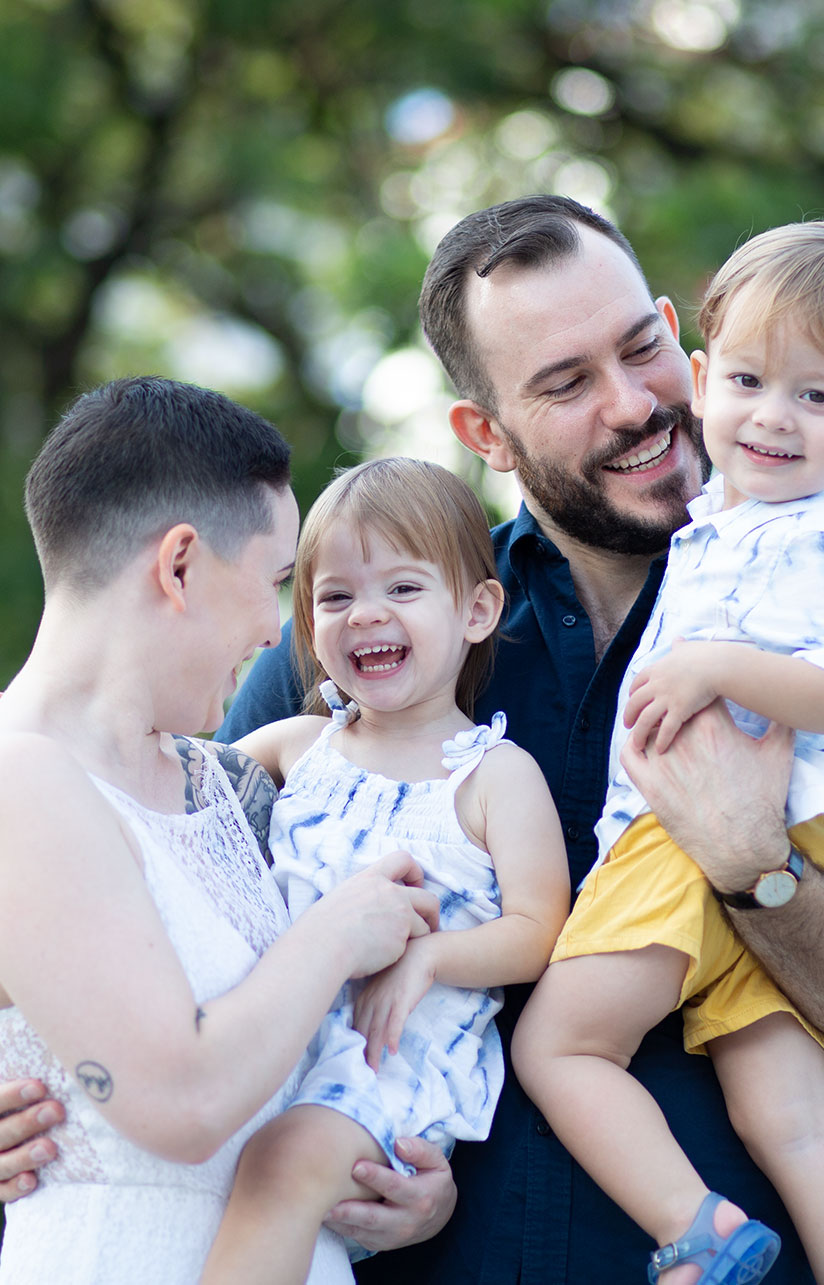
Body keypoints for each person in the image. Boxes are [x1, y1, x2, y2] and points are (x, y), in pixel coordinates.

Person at [0, 197, 824, 1284]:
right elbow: (160, 900)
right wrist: (29, 1075)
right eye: (567, 384)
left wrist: (756, 870)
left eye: (641, 347)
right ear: (485, 434)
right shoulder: (374, 632)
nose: (632, 403)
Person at [0, 376, 441, 1284]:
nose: (284, 635)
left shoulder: (226, 782)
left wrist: (398, 1181)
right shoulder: (6, 779)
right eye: (278, 582)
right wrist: (337, 932)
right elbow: (181, 1101)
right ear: (180, 565)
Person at [513, 210, 824, 1284]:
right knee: (785, 1124)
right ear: (705, 377)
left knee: (559, 1046)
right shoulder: (732, 523)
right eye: (747, 382)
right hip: (781, 842)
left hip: (695, 838)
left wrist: (711, 671)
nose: (772, 418)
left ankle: (696, 1228)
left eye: (817, 395)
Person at [200, 457, 570, 1284]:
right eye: (335, 597)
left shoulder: (493, 777)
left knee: (283, 1167)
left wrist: (431, 955)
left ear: (477, 609)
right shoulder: (296, 748)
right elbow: (172, 797)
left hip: (391, 1059)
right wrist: (69, 732)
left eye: (402, 589)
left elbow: (540, 929)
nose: (366, 613)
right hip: (272, 1042)